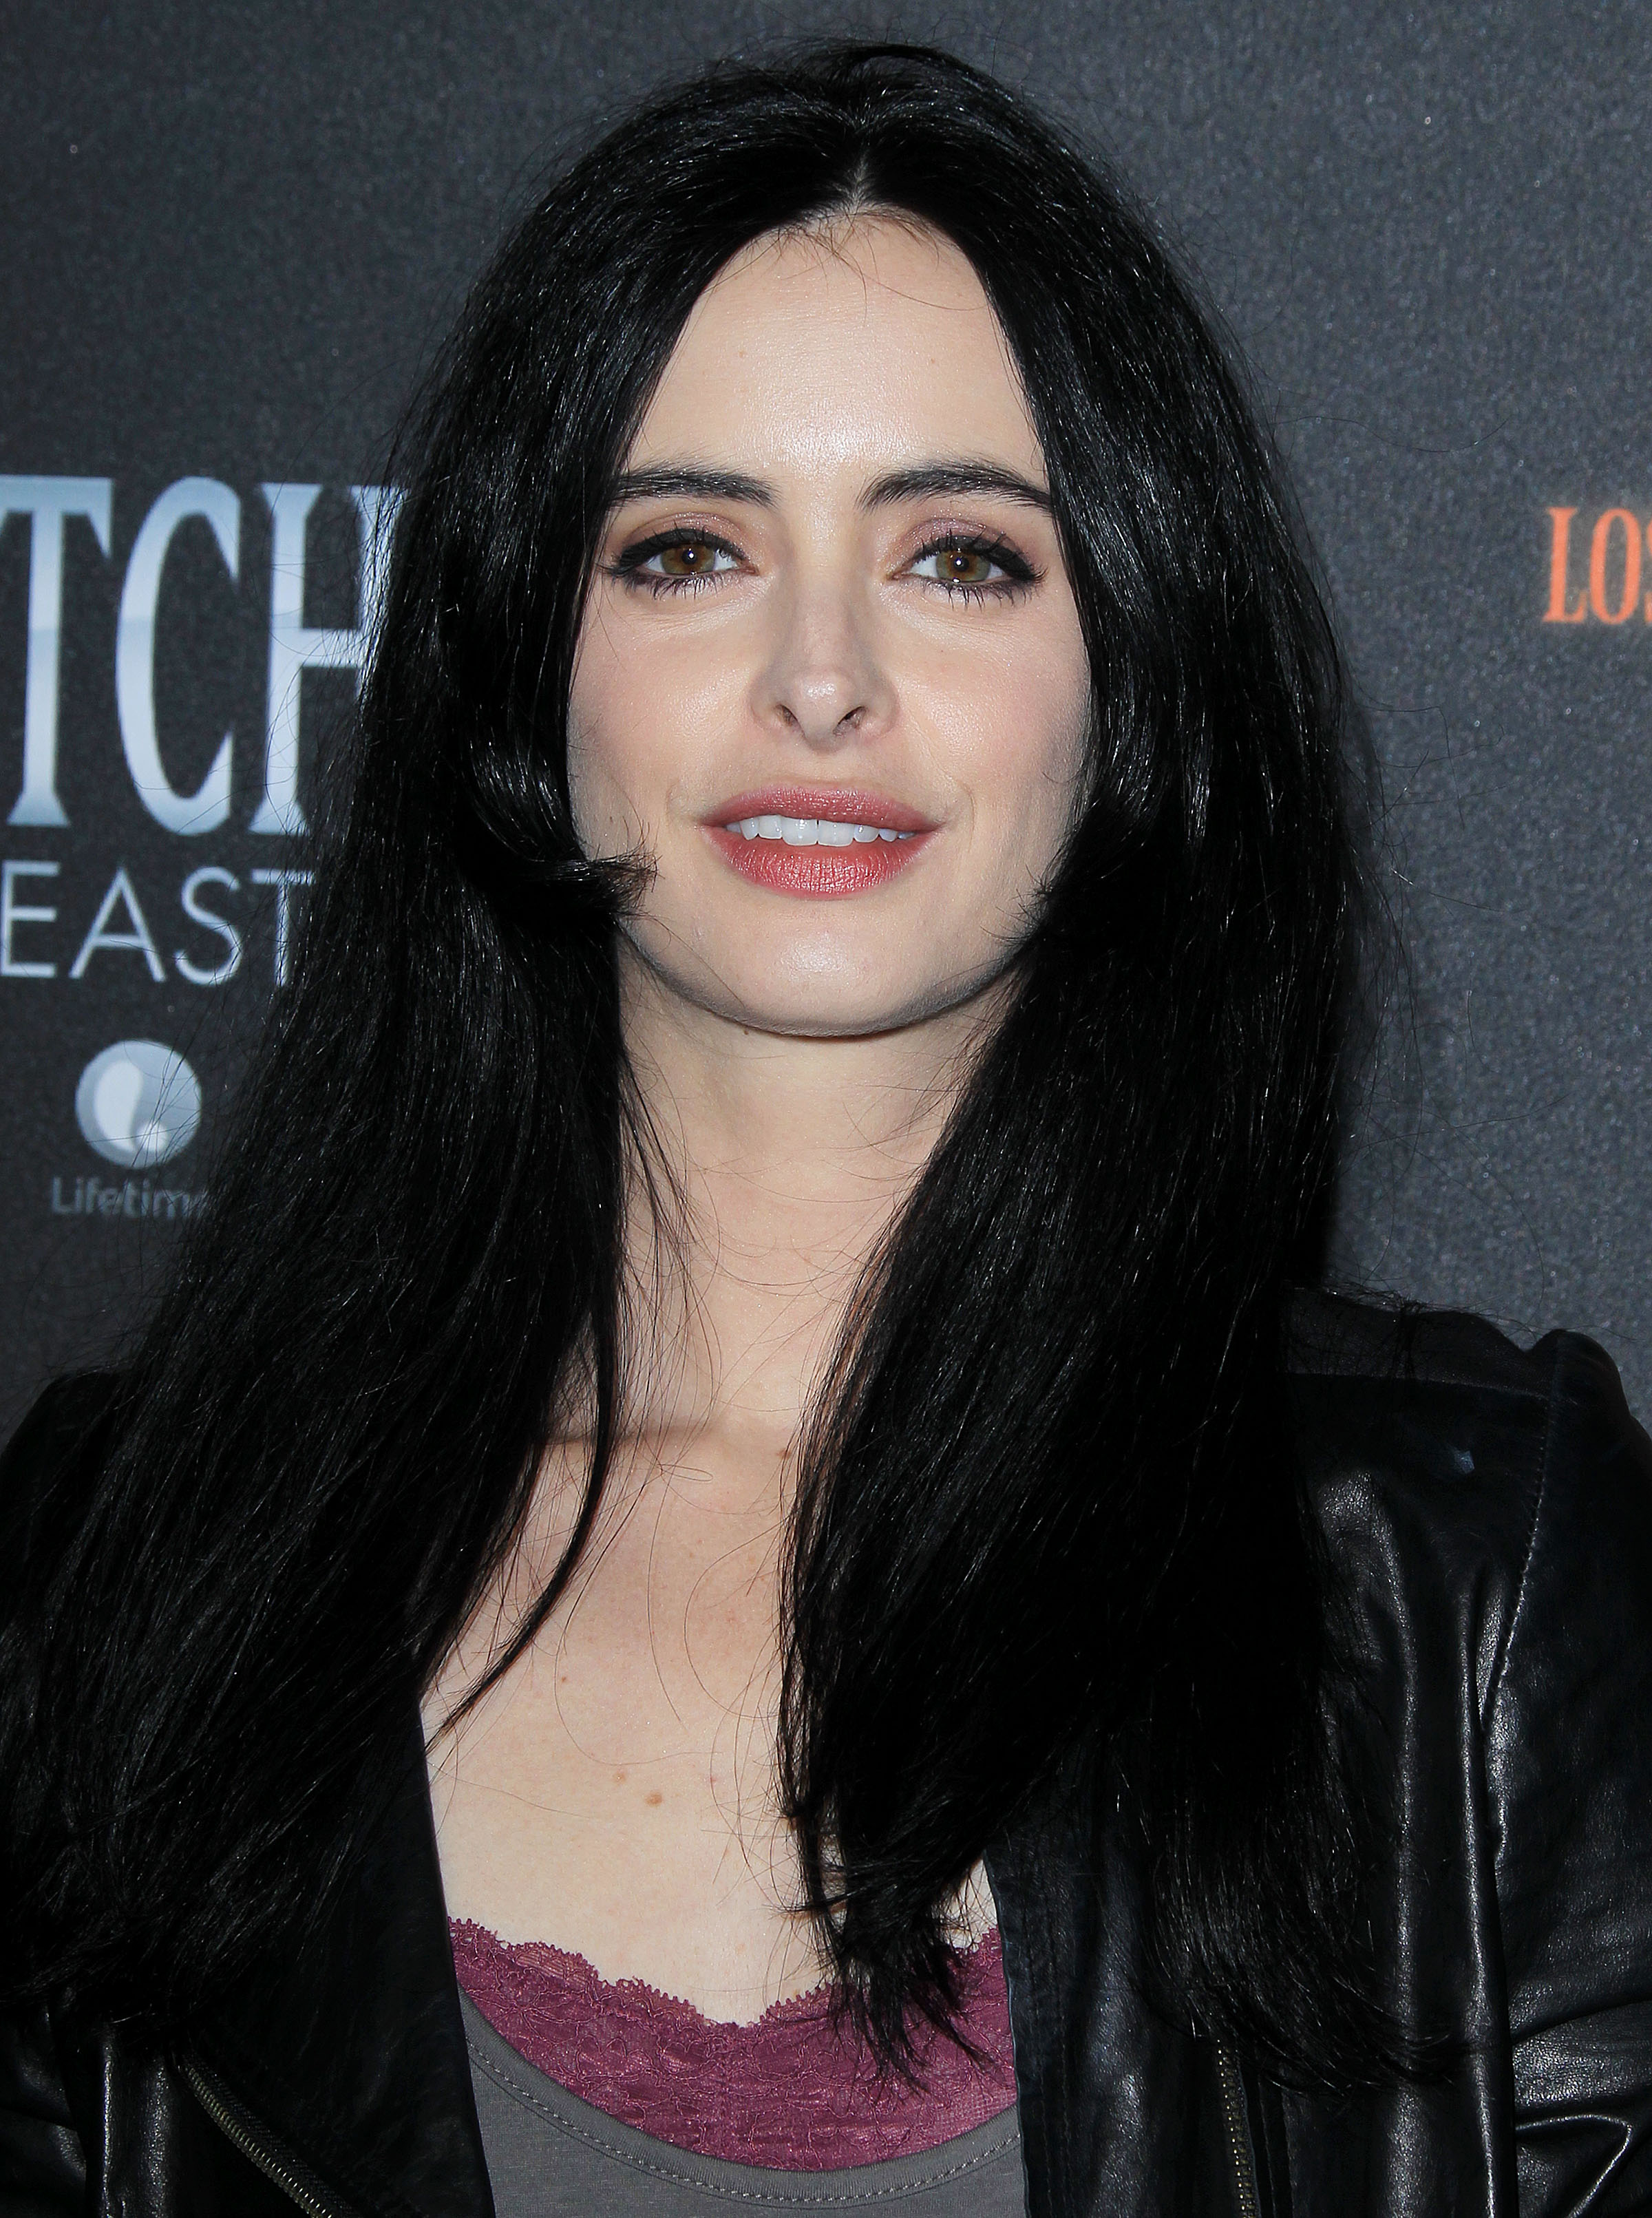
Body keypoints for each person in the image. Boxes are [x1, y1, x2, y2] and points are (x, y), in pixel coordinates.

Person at [2, 40, 1649, 2218]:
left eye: (961, 558)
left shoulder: (1467, 1579)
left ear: (1132, 676)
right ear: (522, 662)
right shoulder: (119, 1575)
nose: (819, 677)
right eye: (685, 549)